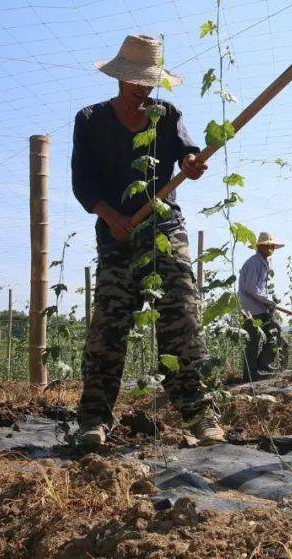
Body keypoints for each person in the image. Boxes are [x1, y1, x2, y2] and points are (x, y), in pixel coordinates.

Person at [71, 34, 225, 447]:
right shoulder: (90, 120)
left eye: (149, 81)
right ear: (121, 78)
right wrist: (113, 217)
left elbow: (187, 154)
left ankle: (199, 414)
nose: (143, 88)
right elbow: (83, 184)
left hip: (162, 226)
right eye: (137, 80)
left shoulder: (166, 113)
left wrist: (191, 163)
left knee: (181, 311)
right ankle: (94, 419)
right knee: (110, 322)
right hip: (116, 234)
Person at [238, 232, 285, 381]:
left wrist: (269, 299)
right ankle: (250, 374)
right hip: (251, 309)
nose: (271, 249)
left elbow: (260, 288)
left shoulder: (264, 262)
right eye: (268, 246)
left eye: (272, 246)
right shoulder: (254, 263)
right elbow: (252, 288)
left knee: (273, 332)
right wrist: (268, 300)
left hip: (261, 307)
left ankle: (261, 364)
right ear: (260, 247)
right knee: (252, 342)